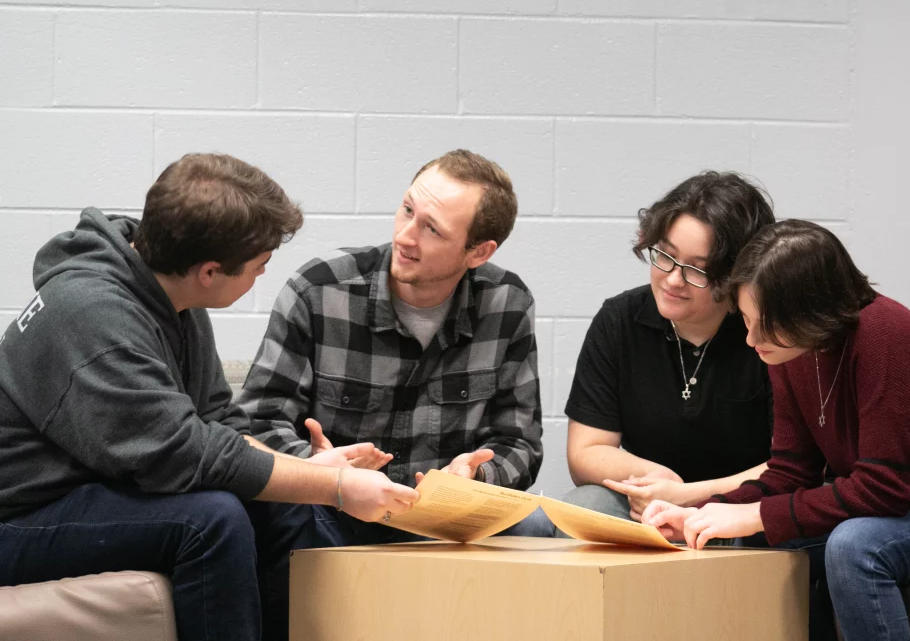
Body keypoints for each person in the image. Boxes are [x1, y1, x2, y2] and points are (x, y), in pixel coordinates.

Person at [0, 153, 420, 641]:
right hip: (19, 516)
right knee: (210, 519)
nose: (264, 275)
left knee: (288, 504)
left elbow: (218, 422)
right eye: (260, 265)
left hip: (88, 487)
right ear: (210, 271)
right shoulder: (94, 316)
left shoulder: (168, 295)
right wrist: (339, 489)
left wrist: (317, 475)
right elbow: (181, 455)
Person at [643, 220, 910, 641]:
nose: (751, 340)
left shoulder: (883, 335)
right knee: (759, 541)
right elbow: (790, 474)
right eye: (747, 321)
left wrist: (753, 515)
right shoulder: (789, 349)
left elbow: (882, 490)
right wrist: (704, 515)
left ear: (810, 311)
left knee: (856, 544)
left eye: (764, 324)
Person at [238, 148, 545, 545]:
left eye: (432, 229)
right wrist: (321, 468)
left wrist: (478, 475)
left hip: (445, 520)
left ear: (479, 252)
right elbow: (258, 422)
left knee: (537, 527)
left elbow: (519, 440)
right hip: (335, 508)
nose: (404, 235)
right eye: (407, 210)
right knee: (281, 520)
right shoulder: (320, 290)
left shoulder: (508, 304)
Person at [556, 172, 776, 528]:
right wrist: (660, 481)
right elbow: (586, 452)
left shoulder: (767, 332)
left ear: (735, 275)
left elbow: (791, 465)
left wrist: (691, 496)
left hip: (743, 506)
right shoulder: (620, 320)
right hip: (650, 501)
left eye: (697, 270)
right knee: (586, 504)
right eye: (665, 256)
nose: (673, 279)